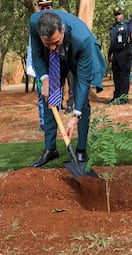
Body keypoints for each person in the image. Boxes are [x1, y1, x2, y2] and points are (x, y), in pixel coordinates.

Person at [29, 10, 106, 167]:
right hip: (54, 61)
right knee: (49, 99)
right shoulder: (34, 23)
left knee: (81, 100)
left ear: (62, 30)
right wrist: (44, 79)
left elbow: (83, 81)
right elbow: (36, 55)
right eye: (47, 43)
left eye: (56, 42)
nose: (52, 47)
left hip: (77, 57)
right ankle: (50, 149)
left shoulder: (82, 38)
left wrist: (75, 116)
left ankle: (81, 150)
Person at [26, 0, 54, 132]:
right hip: (40, 68)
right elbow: (32, 49)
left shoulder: (58, 24)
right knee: (42, 95)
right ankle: (43, 122)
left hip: (55, 66)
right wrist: (30, 66)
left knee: (55, 94)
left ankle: (54, 120)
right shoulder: (35, 27)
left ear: (51, 8)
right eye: (42, 8)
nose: (44, 10)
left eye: (47, 8)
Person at [107, 6, 131, 104]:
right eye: (116, 15)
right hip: (115, 54)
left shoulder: (127, 25)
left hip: (124, 53)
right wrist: (109, 54)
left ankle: (123, 97)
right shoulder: (113, 28)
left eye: (119, 14)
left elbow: (131, 40)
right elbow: (112, 42)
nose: (117, 16)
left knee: (123, 76)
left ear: (122, 15)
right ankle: (116, 96)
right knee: (116, 76)